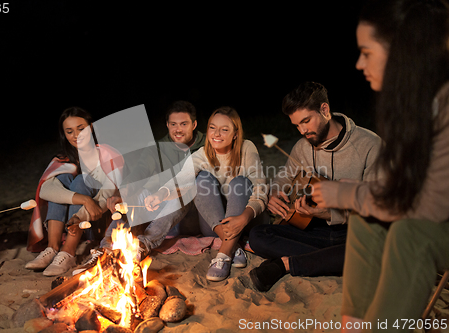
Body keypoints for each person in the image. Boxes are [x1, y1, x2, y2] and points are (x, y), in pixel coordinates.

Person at [312, 0, 449, 331]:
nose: (359, 63)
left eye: (367, 52)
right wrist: (336, 195)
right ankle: (353, 327)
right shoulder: (411, 107)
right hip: (428, 219)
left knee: (409, 234)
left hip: (434, 226)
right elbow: (389, 188)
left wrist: (341, 195)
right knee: (365, 218)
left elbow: (428, 207)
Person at [248, 81, 382, 291]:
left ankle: (286, 263)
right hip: (313, 230)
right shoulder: (303, 147)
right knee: (258, 236)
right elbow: (284, 177)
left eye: (306, 121)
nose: (302, 130)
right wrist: (275, 193)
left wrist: (330, 214)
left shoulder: (370, 145)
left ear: (325, 110)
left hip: (354, 231)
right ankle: (328, 259)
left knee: (375, 248)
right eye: (296, 125)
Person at [72, 100, 206, 275]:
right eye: (173, 124)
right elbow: (139, 172)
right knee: (134, 195)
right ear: (167, 125)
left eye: (184, 124)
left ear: (194, 124)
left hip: (191, 216)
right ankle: (105, 250)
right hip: (158, 211)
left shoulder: (206, 146)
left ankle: (142, 245)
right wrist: (124, 195)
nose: (178, 129)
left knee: (183, 192)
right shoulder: (158, 149)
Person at [144, 106, 268, 281]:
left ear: (235, 133)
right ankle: (232, 243)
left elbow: (261, 188)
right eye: (212, 128)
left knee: (241, 182)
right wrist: (161, 194)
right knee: (200, 179)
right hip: (213, 224)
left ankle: (223, 255)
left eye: (224, 129)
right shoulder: (201, 155)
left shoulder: (247, 148)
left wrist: (244, 218)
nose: (216, 134)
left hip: (244, 220)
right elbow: (181, 179)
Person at [26, 107, 124, 276]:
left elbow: (109, 194)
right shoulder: (63, 159)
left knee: (80, 180)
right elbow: (45, 190)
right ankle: (53, 248)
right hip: (73, 219)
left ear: (91, 127)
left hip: (100, 217)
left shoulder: (108, 154)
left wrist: (84, 211)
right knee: (59, 181)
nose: (76, 135)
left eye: (81, 129)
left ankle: (69, 252)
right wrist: (85, 200)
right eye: (70, 131)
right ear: (64, 134)